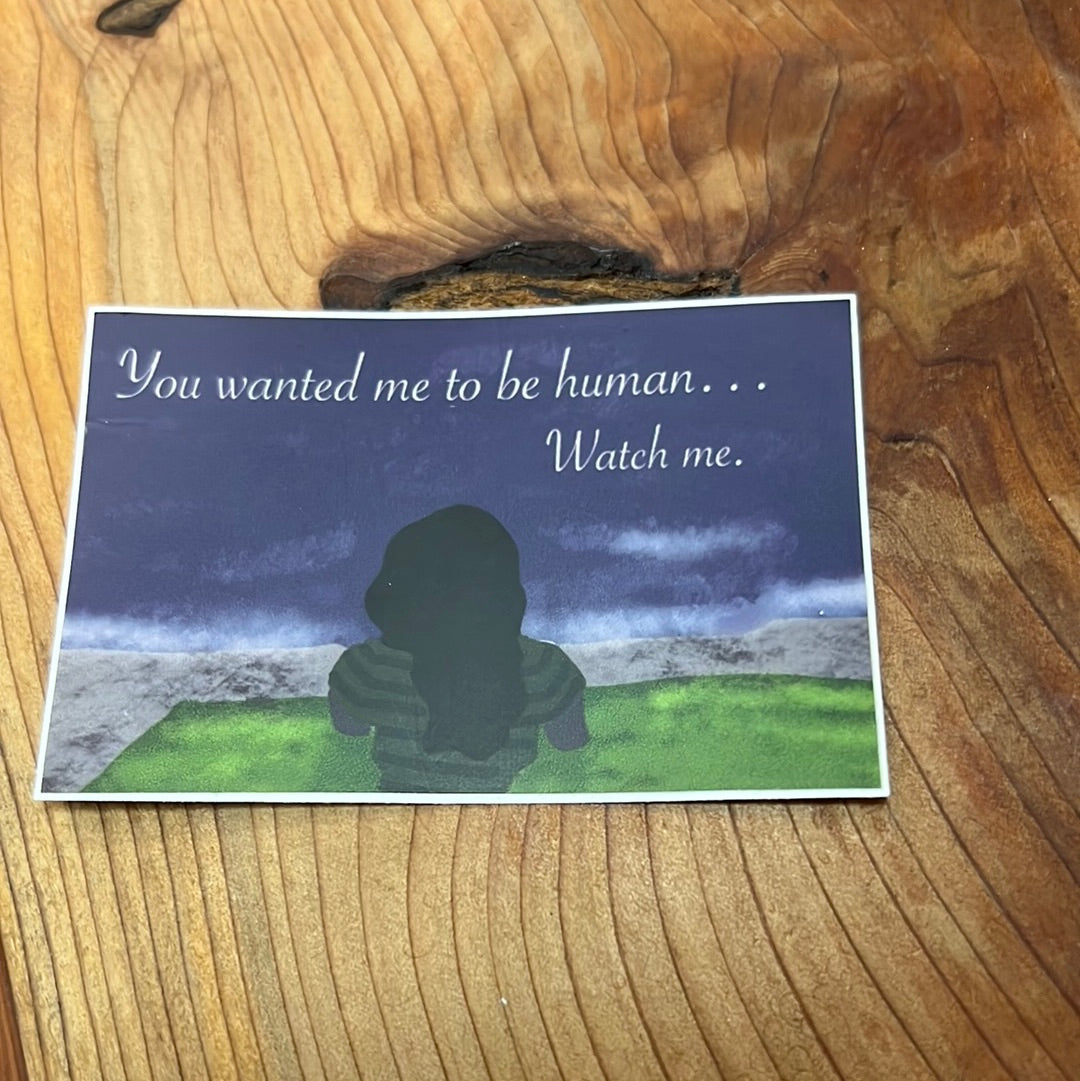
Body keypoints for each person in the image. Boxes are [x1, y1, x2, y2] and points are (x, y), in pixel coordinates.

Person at [328, 505, 587, 793]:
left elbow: (350, 729)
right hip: (494, 813)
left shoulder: (369, 665)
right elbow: (569, 741)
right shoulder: (544, 666)